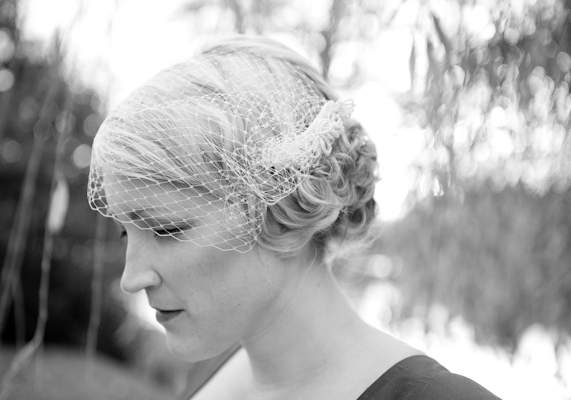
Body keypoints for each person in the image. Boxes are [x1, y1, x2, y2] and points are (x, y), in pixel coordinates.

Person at [88, 35, 500, 400]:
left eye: (165, 228)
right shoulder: (215, 363)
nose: (130, 278)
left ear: (280, 208)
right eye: (126, 233)